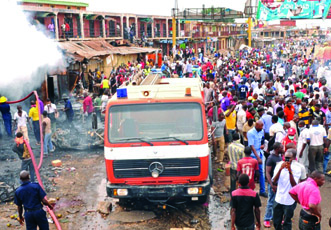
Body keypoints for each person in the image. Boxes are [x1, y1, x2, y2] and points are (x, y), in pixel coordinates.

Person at [272, 150, 306, 230]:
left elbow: (294, 185)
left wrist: (290, 171)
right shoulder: (279, 165)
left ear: (293, 158)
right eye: (285, 157)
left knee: (287, 221)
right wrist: (280, 169)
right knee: (276, 221)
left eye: (288, 158)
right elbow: (274, 181)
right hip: (279, 198)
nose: (286, 160)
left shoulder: (298, 168)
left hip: (290, 200)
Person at [264, 142, 284, 228]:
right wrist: (272, 185)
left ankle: (275, 217)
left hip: (278, 184)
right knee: (271, 201)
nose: (283, 149)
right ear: (277, 149)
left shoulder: (279, 157)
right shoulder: (271, 158)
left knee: (278, 201)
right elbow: (267, 173)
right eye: (281, 148)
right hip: (272, 184)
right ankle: (267, 219)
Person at [247, 120, 267, 197]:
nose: (262, 128)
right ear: (256, 125)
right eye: (261, 126)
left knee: (262, 172)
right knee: (252, 173)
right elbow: (251, 146)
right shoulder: (251, 133)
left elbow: (262, 139)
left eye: (262, 126)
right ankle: (250, 191)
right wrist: (258, 158)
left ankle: (262, 191)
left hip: (260, 153)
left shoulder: (261, 131)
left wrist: (262, 145)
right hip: (253, 155)